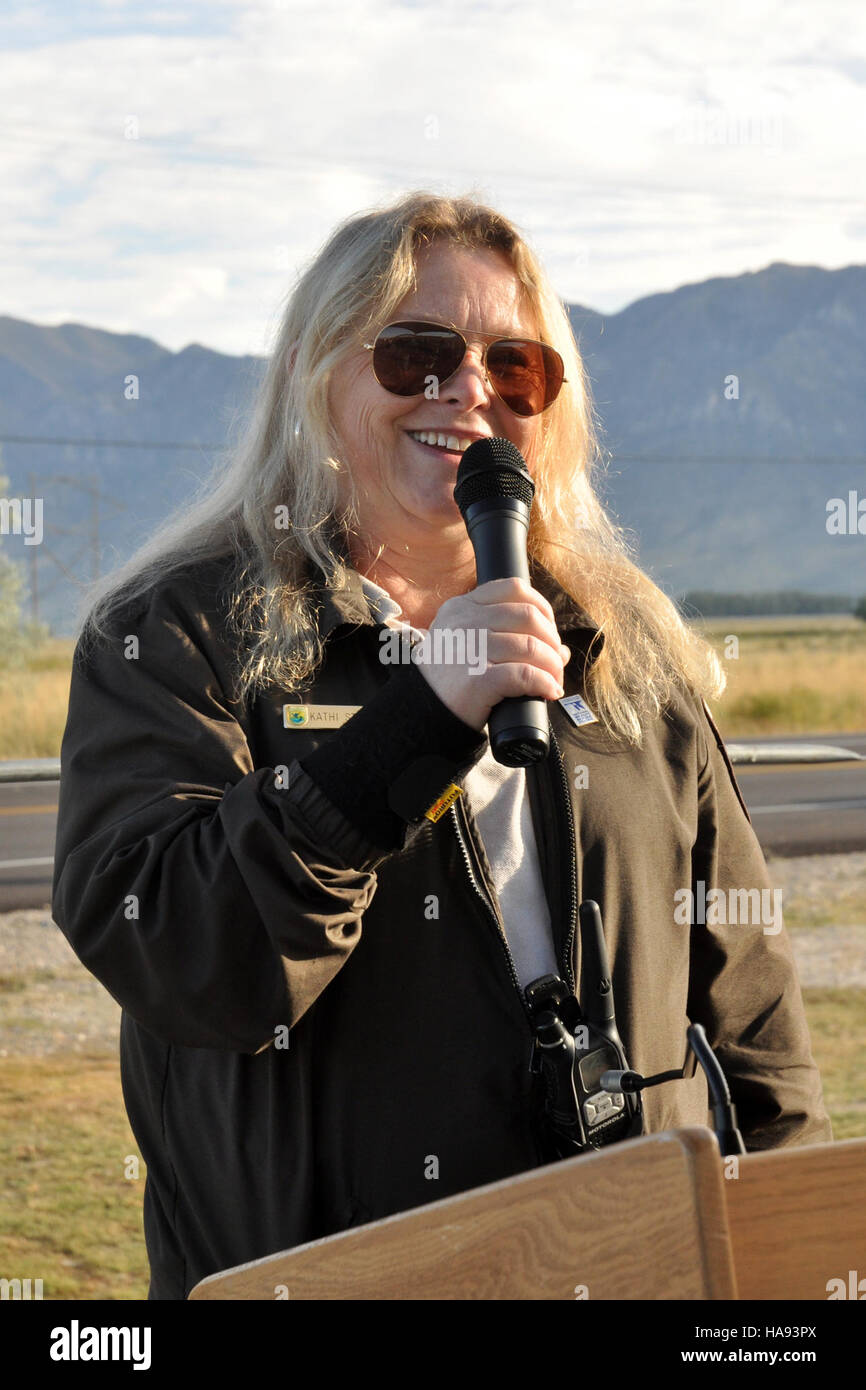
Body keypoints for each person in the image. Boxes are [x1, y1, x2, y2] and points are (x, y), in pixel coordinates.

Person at [52, 190, 831, 1301]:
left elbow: (751, 1024)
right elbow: (187, 958)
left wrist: (786, 1284)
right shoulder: (175, 634)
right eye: (416, 353)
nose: (465, 390)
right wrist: (419, 714)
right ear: (315, 376)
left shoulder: (624, 647)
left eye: (514, 367)